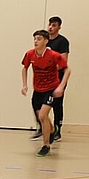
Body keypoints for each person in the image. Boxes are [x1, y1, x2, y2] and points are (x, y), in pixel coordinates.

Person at [21, 29, 70, 157]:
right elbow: (25, 68)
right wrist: (25, 85)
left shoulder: (53, 55)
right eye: (35, 39)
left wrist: (61, 87)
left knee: (43, 116)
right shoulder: (30, 54)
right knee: (41, 118)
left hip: (51, 89)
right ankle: (53, 130)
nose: (36, 41)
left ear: (46, 41)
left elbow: (67, 70)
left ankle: (45, 145)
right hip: (38, 90)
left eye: (39, 39)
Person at [46, 16, 70, 142]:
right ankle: (44, 128)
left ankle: (57, 129)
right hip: (45, 78)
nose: (51, 27)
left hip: (58, 77)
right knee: (40, 102)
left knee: (57, 103)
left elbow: (63, 62)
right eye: (50, 24)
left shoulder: (62, 42)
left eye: (54, 25)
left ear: (59, 27)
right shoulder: (45, 40)